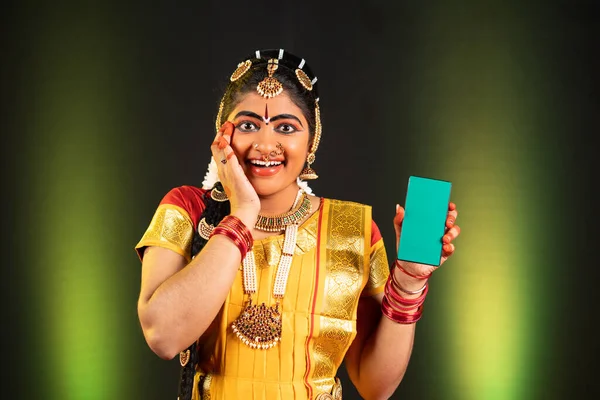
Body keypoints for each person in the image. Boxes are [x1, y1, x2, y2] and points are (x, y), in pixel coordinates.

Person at [134, 48, 461, 400]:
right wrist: (243, 212)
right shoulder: (187, 209)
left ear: (311, 142)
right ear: (222, 135)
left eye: (286, 128)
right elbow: (162, 336)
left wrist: (409, 283)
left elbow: (375, 386)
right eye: (247, 125)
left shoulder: (351, 231)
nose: (265, 144)